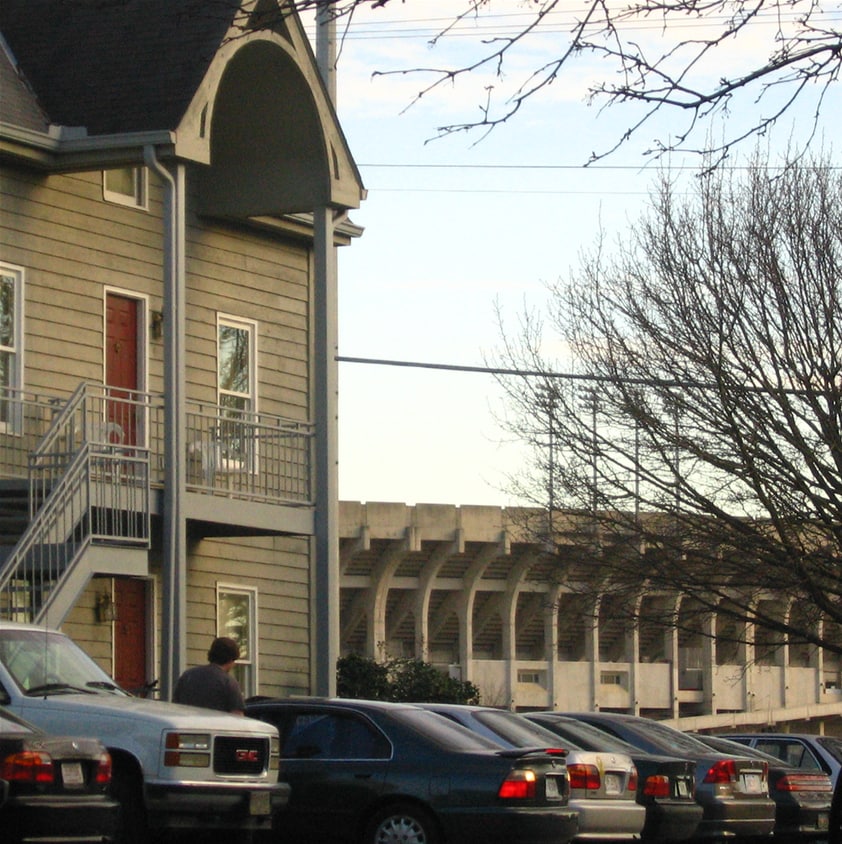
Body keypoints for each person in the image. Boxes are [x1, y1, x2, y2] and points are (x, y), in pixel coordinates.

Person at [173, 636, 245, 715]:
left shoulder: (187, 676)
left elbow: (175, 706)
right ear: (231, 659)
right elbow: (237, 716)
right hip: (215, 726)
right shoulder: (229, 682)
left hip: (187, 724)